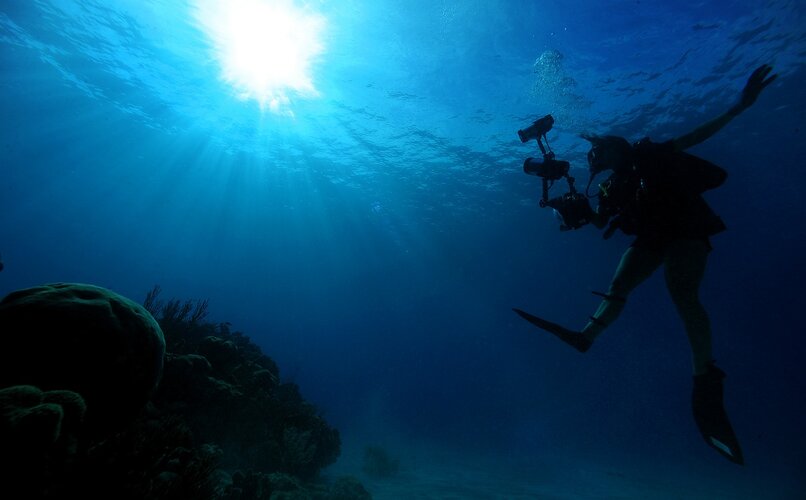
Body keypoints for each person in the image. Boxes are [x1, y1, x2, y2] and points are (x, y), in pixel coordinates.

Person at [514, 64, 777, 465]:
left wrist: (738, 108)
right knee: (620, 281)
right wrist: (576, 210)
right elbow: (606, 222)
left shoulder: (649, 157)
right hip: (653, 237)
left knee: (682, 293)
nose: (593, 157)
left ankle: (705, 377)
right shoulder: (609, 185)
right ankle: (585, 337)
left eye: (599, 151)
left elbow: (694, 136)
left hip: (686, 230)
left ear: (618, 148)